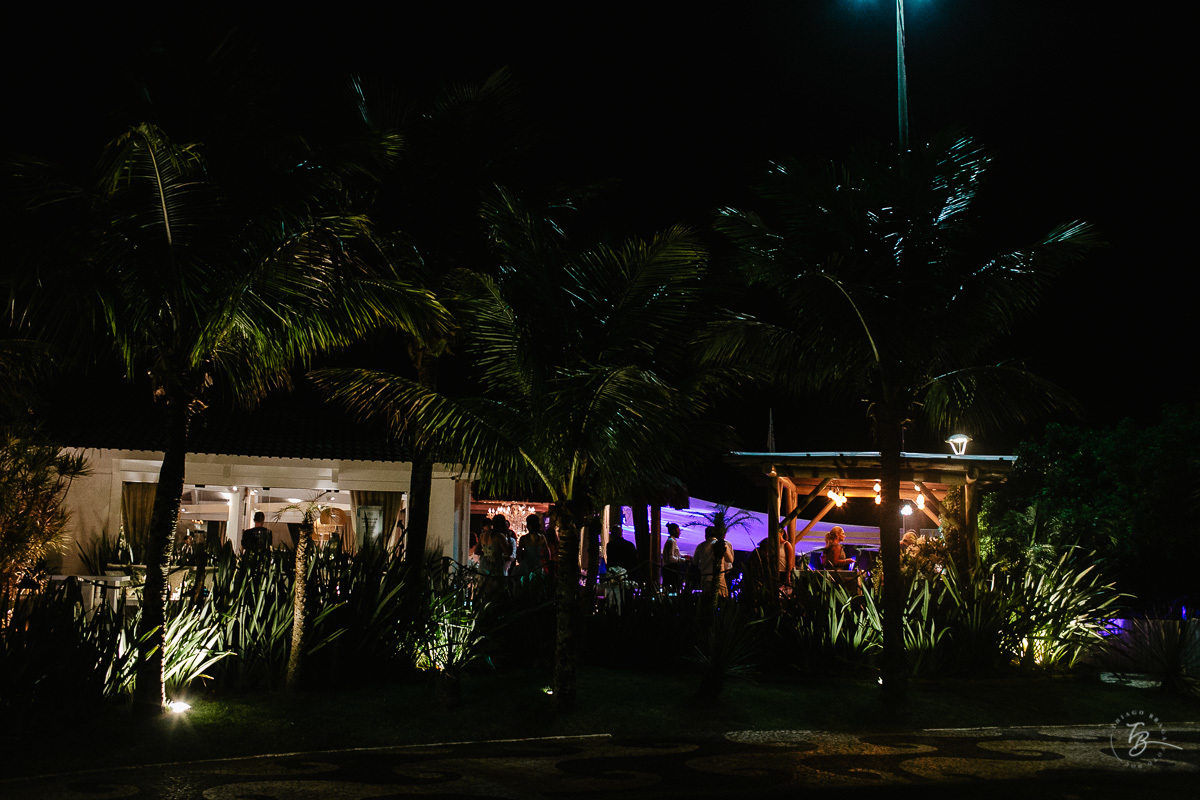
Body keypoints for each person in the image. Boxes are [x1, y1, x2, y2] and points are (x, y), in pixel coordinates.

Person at [695, 526, 734, 597]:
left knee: (707, 601)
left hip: (705, 578)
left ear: (706, 535)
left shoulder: (700, 546)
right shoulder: (722, 544)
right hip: (719, 579)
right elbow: (730, 560)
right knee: (722, 600)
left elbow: (695, 562)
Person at [661, 523, 687, 593]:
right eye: (678, 530)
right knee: (674, 589)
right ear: (674, 531)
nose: (680, 532)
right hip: (671, 569)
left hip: (670, 568)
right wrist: (683, 560)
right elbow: (670, 558)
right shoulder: (671, 541)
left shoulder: (671, 541)